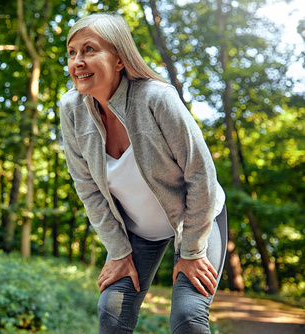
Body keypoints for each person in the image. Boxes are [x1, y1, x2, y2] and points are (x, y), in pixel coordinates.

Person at [59, 13, 227, 334]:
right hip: (137, 232)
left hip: (194, 220)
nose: (77, 61)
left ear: (120, 59)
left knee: (188, 316)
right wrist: (119, 252)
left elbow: (200, 175)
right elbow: (88, 190)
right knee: (111, 312)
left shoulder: (157, 98)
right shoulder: (71, 109)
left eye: (90, 49)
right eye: (72, 52)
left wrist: (191, 252)